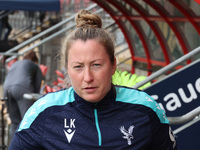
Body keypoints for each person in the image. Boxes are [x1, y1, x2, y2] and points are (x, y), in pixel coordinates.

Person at [8, 10, 177, 150]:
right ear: (67, 69)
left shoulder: (145, 109)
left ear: (113, 65)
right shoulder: (43, 112)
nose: (88, 78)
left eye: (96, 65)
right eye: (78, 67)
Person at [3, 51, 43, 141]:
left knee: (15, 122)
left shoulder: (16, 64)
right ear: (35, 61)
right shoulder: (35, 66)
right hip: (22, 89)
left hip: (6, 89)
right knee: (28, 121)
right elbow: (36, 91)